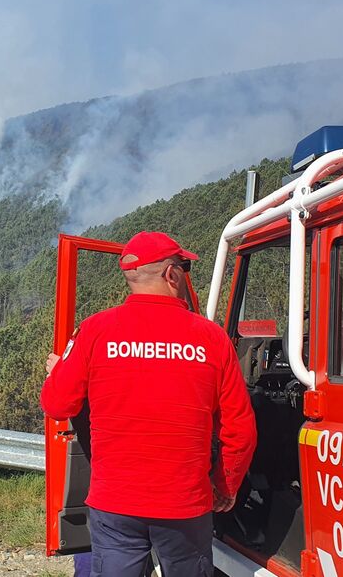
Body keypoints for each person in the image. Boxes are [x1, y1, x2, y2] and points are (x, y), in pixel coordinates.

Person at [41, 231, 256, 577]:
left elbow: (56, 405)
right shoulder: (211, 339)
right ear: (171, 275)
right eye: (184, 267)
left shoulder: (94, 331)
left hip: (114, 505)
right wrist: (224, 485)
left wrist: (59, 372)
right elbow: (240, 429)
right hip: (185, 504)